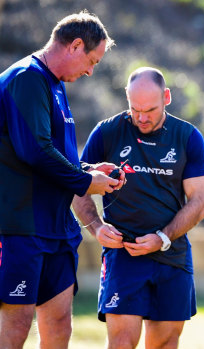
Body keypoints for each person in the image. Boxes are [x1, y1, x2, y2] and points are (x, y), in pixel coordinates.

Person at [0, 11, 120, 348]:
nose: (90, 71)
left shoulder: (55, 82)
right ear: (76, 45)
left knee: (59, 322)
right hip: (21, 226)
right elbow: (34, 150)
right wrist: (85, 183)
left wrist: (88, 171)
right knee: (17, 322)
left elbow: (53, 153)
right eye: (91, 61)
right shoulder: (27, 77)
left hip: (56, 227)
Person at [72, 67, 204, 349]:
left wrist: (162, 238)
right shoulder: (107, 132)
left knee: (165, 343)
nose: (142, 117)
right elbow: (78, 186)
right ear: (127, 97)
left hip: (171, 254)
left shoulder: (187, 137)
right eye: (135, 109)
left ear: (167, 97)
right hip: (123, 255)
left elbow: (200, 202)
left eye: (150, 109)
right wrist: (96, 227)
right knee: (122, 342)